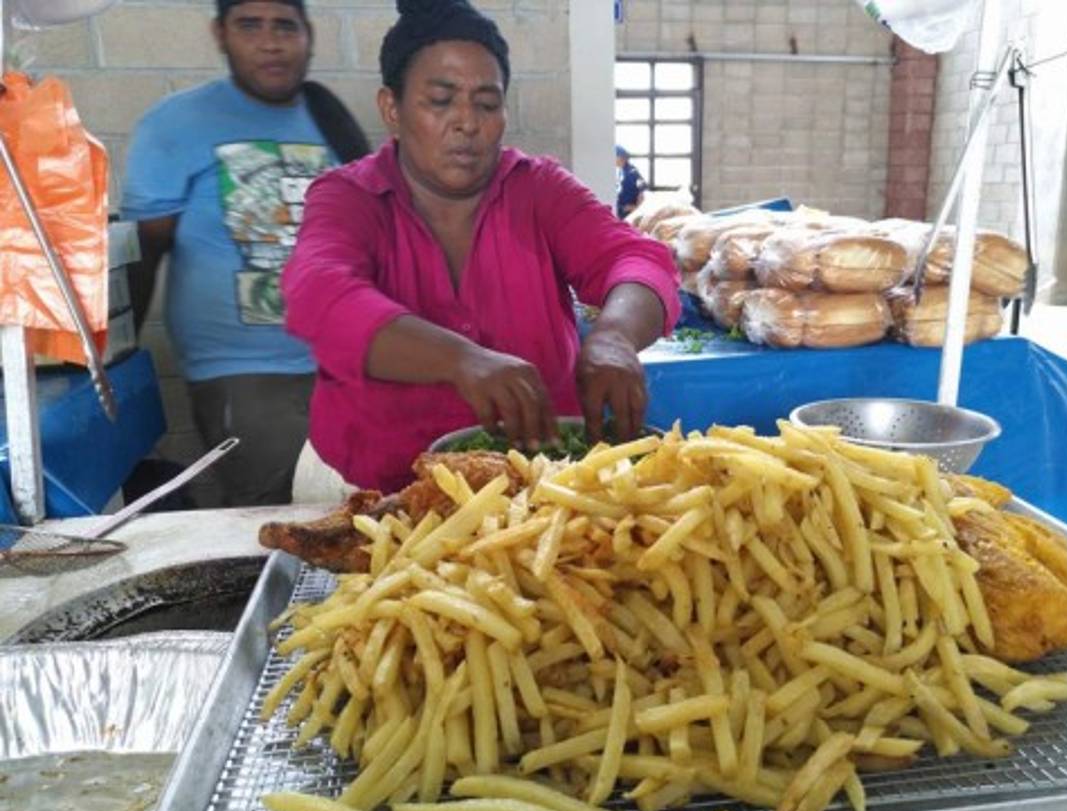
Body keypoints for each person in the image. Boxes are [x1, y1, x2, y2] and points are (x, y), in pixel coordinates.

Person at [281, 0, 679, 496]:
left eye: (486, 104)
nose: (467, 122)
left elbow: (637, 259)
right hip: (371, 491)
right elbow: (319, 296)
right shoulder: (349, 197)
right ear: (392, 109)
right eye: (441, 101)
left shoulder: (540, 190)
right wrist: (460, 359)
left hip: (537, 492)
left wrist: (616, 334)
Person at [121, 0, 371, 507]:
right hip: (243, 373)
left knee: (366, 507)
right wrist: (119, 362)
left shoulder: (329, 118)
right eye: (249, 26)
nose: (270, 42)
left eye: (285, 26)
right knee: (296, 513)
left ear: (308, 35)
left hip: (343, 364)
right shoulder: (174, 125)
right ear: (220, 34)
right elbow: (144, 253)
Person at [615, 145, 646, 219]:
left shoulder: (632, 171)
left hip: (628, 211)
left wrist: (637, 208)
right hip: (621, 208)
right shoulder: (621, 171)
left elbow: (642, 189)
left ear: (621, 158)